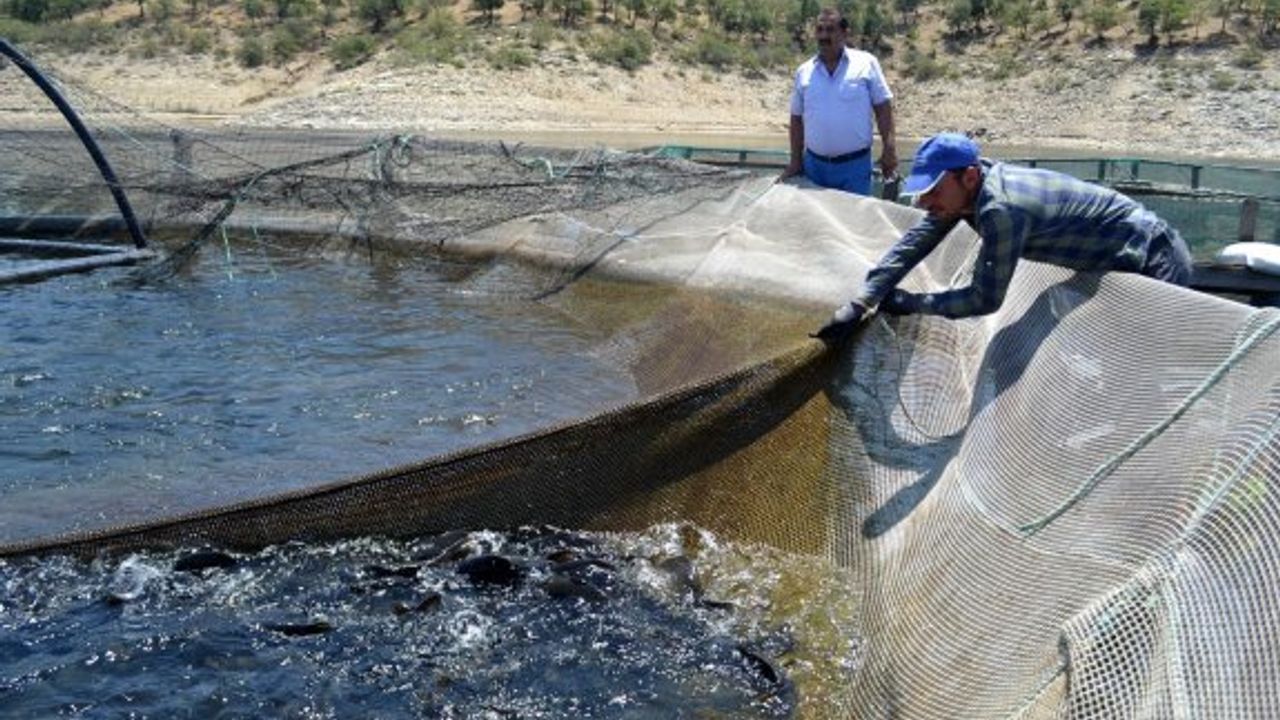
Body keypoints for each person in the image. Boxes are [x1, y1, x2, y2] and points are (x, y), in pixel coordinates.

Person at [814, 132, 1194, 340]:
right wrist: (864, 299)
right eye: (922, 192)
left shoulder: (1001, 210)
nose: (927, 201)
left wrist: (911, 303)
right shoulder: (962, 194)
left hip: (1152, 256)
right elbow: (913, 244)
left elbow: (984, 299)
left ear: (969, 176)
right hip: (1113, 259)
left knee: (1152, 354)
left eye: (933, 190)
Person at [779, 7, 897, 196]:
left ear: (844, 33)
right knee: (813, 224)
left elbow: (883, 108)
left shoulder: (866, 63)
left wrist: (889, 149)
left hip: (855, 168)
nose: (824, 35)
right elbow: (796, 119)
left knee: (855, 223)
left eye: (830, 29)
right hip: (814, 168)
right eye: (819, 29)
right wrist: (795, 161)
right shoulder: (804, 71)